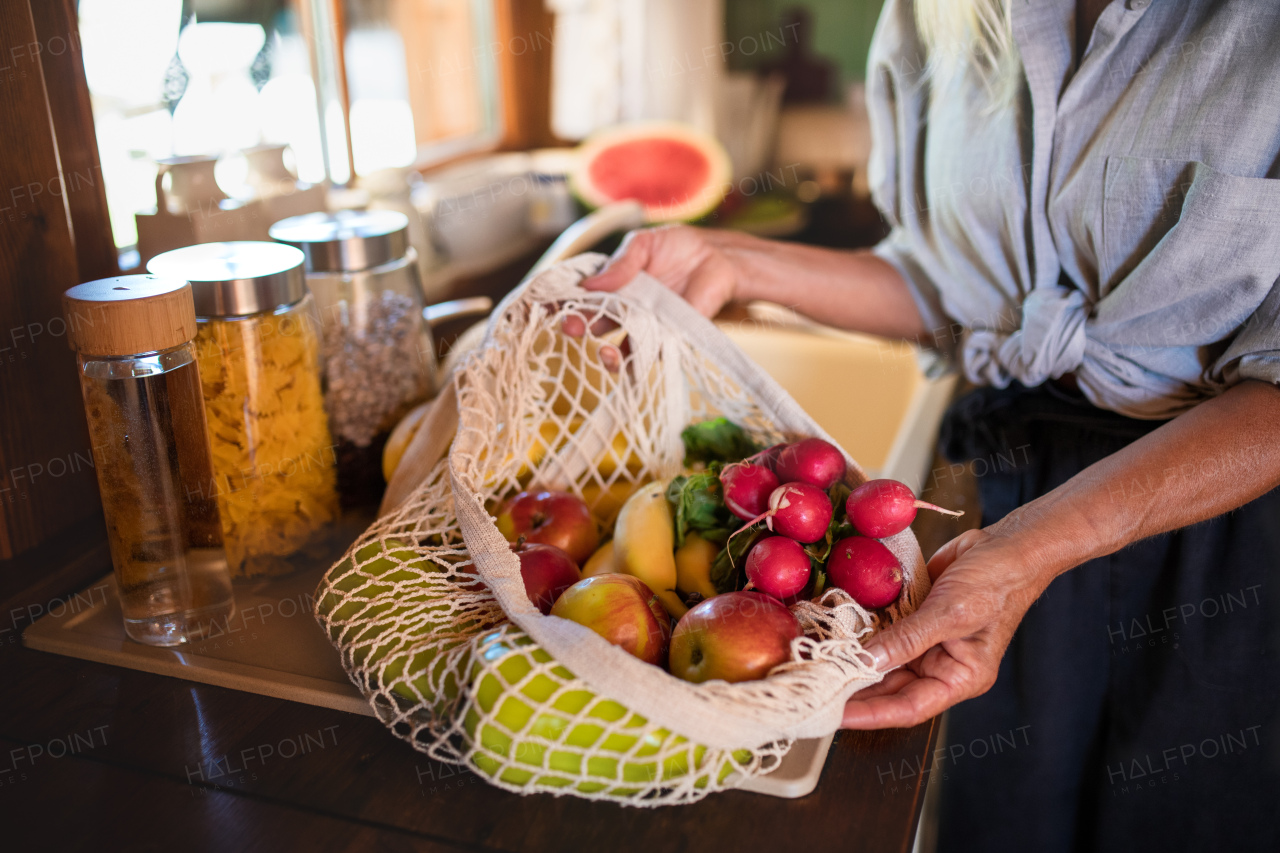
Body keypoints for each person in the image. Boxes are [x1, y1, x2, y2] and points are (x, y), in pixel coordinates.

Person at [582, 1, 1280, 851]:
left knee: (1188, 816)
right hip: (1004, 496)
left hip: (1222, 518)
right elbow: (949, 290)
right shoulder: (937, 14)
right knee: (1004, 818)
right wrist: (738, 260)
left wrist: (1034, 547)